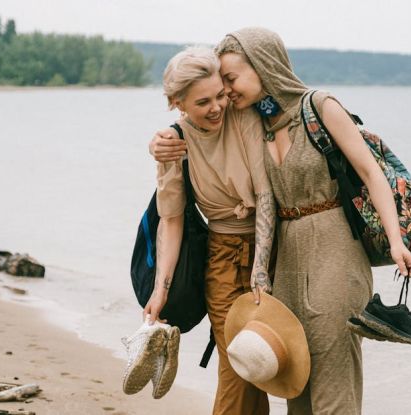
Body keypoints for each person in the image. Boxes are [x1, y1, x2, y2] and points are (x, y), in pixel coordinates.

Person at [152, 28, 411, 415]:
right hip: (286, 258)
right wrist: (159, 144)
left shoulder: (319, 106)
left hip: (334, 249)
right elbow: (193, 135)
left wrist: (396, 242)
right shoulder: (258, 118)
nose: (225, 94)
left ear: (263, 66)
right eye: (220, 84)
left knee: (334, 371)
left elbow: (371, 172)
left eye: (230, 79)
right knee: (296, 380)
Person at [145, 46, 274, 415]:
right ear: (177, 103)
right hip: (222, 259)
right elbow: (171, 220)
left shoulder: (244, 114)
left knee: (267, 365)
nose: (218, 106)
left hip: (275, 251)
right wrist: (160, 289)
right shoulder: (172, 144)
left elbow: (265, 194)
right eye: (204, 102)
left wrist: (262, 270)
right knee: (238, 364)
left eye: (220, 95)